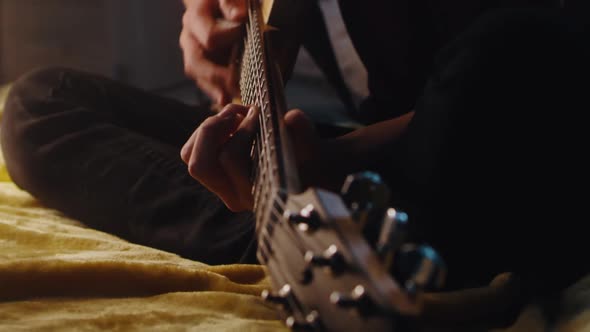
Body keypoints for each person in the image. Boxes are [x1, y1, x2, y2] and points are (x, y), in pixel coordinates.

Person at [1, 0, 588, 326]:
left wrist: (343, 156)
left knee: (513, 50)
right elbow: (228, 15)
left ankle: (309, 218)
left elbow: (532, 59)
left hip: (504, 146)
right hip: (375, 162)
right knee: (39, 102)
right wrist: (211, 23)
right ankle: (289, 220)